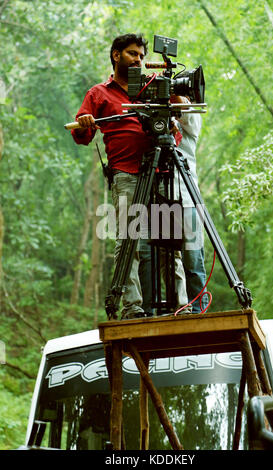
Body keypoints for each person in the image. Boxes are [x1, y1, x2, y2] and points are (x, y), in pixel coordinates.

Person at [71, 33, 190, 320]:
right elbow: (82, 136)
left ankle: (181, 306)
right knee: (129, 241)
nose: (138, 59)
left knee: (169, 242)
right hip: (126, 175)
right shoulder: (99, 93)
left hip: (161, 171)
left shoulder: (152, 85)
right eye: (132, 54)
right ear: (116, 55)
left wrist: (176, 96)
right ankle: (133, 308)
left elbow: (181, 109)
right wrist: (84, 123)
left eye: (140, 55)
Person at [139, 95, 208, 314]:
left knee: (193, 259)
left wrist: (181, 101)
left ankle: (199, 310)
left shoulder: (187, 127)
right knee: (167, 258)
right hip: (162, 198)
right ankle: (176, 307)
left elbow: (189, 114)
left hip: (187, 197)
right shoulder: (155, 128)